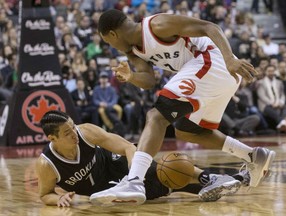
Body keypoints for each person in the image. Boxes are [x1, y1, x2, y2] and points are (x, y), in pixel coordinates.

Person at [90, 9, 276, 205]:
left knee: (156, 116)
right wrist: (130, 77)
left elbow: (209, 27)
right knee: (188, 131)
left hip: (215, 61)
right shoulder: (133, 52)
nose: (112, 46)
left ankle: (134, 181)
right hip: (215, 74)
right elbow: (149, 81)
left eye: (109, 42)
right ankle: (253, 155)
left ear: (113, 34)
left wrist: (230, 59)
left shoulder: (157, 25)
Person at [36, 110, 249, 207]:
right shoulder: (47, 164)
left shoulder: (86, 132)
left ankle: (208, 178)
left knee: (155, 169)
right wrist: (59, 199)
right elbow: (45, 195)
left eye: (72, 126)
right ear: (51, 138)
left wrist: (135, 175)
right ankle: (228, 181)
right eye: (67, 133)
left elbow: (128, 147)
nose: (74, 133)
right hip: (103, 189)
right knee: (168, 183)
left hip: (115, 162)